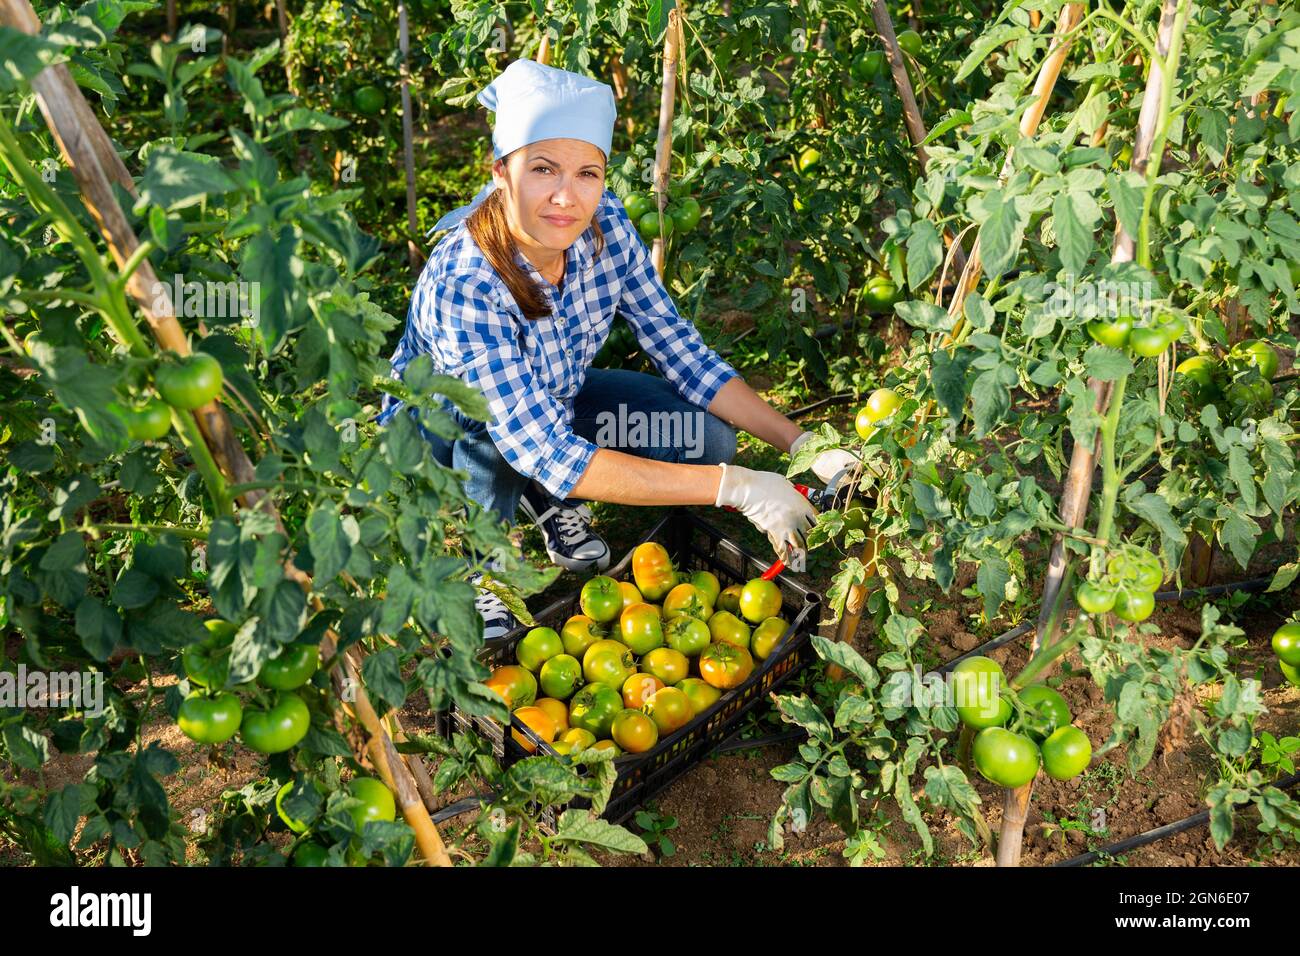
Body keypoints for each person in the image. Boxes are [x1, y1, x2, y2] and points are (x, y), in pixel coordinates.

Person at [379, 59, 857, 638]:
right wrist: (738, 488)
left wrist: (803, 445)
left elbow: (679, 349)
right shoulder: (467, 283)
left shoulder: (603, 225)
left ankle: (541, 495)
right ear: (502, 172)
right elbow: (544, 447)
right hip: (443, 432)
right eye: (543, 169)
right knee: (491, 439)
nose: (566, 197)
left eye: (587, 173)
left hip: (551, 405)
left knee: (704, 438)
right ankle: (479, 570)